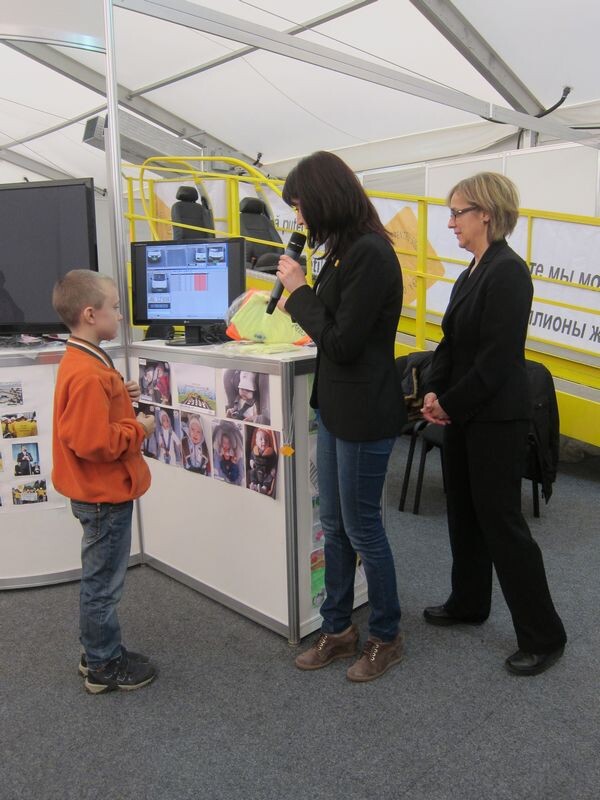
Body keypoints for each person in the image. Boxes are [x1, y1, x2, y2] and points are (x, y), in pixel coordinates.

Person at [421, 172, 567, 676]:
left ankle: (544, 636)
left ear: (485, 213)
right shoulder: (472, 271)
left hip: (497, 419)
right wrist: (434, 390)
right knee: (463, 512)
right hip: (466, 413)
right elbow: (451, 342)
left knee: (502, 525)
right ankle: (469, 602)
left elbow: (497, 360)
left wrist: (450, 404)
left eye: (457, 212)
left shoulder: (508, 272)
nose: (450, 223)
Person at [276, 150, 406, 682]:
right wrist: (303, 294)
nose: (298, 217)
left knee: (363, 528)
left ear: (325, 198)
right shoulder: (340, 252)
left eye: (300, 205)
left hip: (365, 412)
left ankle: (386, 636)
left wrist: (298, 293)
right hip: (335, 407)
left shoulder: (371, 254)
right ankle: (338, 628)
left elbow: (343, 343)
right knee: (333, 525)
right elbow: (330, 325)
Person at [51, 269, 157, 694]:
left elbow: (88, 418)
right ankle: (102, 665)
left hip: (97, 492)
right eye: (114, 307)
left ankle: (98, 650)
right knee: (103, 585)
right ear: (90, 314)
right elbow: (93, 442)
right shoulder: (89, 373)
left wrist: (118, 394)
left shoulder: (86, 360)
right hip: (103, 496)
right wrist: (139, 427)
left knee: (101, 579)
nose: (120, 314)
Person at [248, 428, 277, 495]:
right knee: (252, 472)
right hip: (256, 470)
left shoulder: (271, 453)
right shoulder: (255, 450)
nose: (264, 441)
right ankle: (253, 484)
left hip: (266, 472)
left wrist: (273, 468)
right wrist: (251, 461)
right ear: (256, 441)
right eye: (261, 439)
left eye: (266, 440)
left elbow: (274, 462)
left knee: (270, 477)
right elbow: (251, 457)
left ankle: (264, 488)